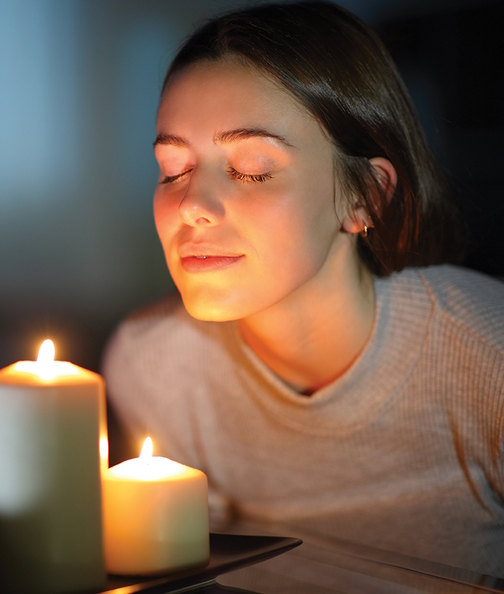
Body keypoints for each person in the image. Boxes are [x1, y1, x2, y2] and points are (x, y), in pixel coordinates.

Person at [102, 1, 504, 577]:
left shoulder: (486, 360)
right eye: (173, 169)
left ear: (365, 194)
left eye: (253, 169)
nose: (191, 205)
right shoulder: (154, 364)